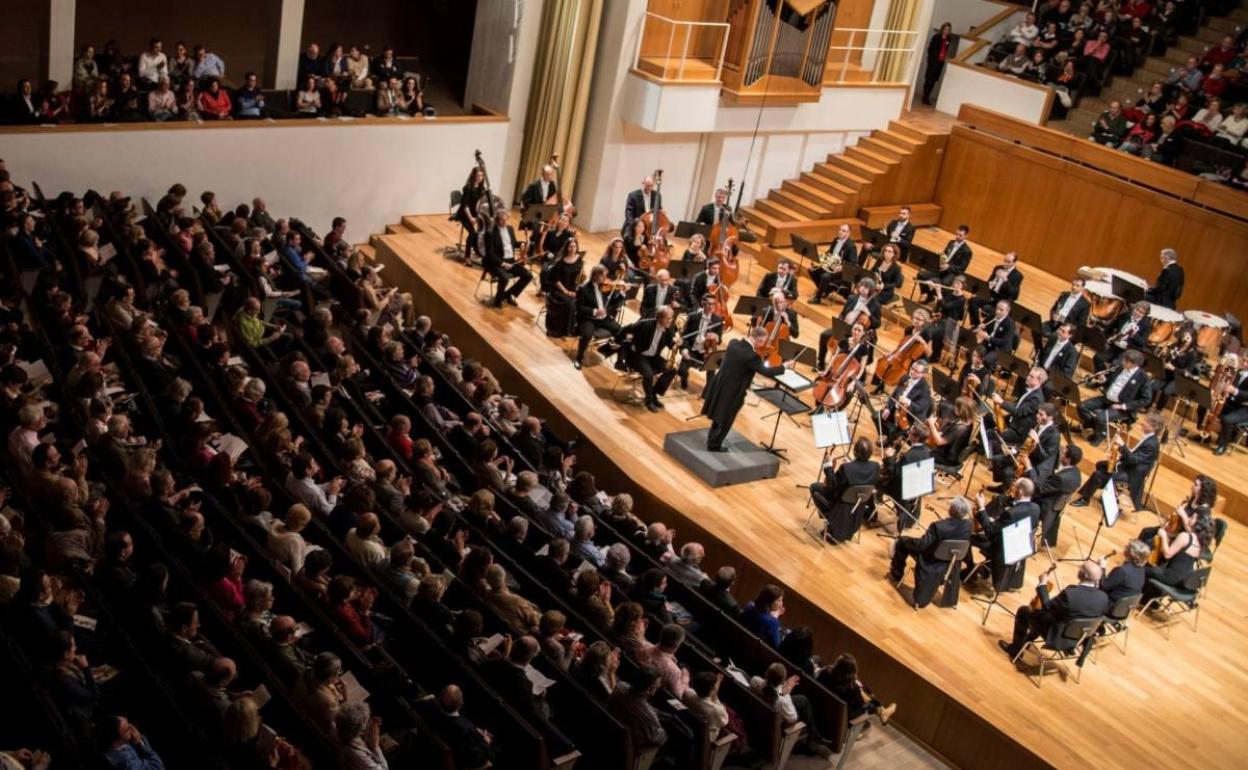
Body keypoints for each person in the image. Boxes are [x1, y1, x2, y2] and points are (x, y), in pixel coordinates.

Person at [700, 326, 789, 451]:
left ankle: (711, 439)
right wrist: (784, 367)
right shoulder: (751, 356)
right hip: (734, 391)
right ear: (758, 340)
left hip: (721, 383)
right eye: (762, 342)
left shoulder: (733, 344)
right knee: (726, 418)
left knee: (718, 414)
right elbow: (766, 372)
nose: (762, 345)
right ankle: (714, 445)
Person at [999, 561, 1109, 659]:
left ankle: (1015, 650)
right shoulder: (1104, 597)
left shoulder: (1070, 594)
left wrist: (1043, 584)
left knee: (1024, 611)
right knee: (1045, 616)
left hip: (1058, 636)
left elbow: (1047, 606)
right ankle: (1028, 639)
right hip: (1080, 637)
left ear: (1083, 575)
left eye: (1081, 568)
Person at [890, 496, 974, 607]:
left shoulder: (938, 526)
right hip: (951, 561)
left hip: (931, 559)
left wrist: (908, 539)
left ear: (952, 510)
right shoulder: (968, 525)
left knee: (902, 542)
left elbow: (922, 545)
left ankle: (896, 574)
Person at [1073, 410, 1161, 510]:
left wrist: (1122, 446)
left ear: (1154, 427)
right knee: (1100, 465)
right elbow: (1135, 456)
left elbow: (1134, 460)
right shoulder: (1148, 438)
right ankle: (1107, 494)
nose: (1143, 423)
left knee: (1099, 474)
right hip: (1129, 467)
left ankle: (1085, 499)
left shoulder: (1151, 444)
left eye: (1147, 422)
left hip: (1132, 474)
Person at [965, 478, 1039, 589]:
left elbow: (990, 532)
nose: (1012, 489)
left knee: (965, 536)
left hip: (1001, 550)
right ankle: (982, 568)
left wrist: (981, 508)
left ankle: (971, 569)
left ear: (1020, 492)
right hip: (1018, 549)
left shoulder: (1011, 513)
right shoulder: (1035, 508)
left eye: (1015, 487)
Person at [1077, 349, 1152, 445]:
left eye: (1126, 361)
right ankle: (1095, 428)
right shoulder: (1118, 366)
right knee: (1082, 406)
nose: (1122, 361)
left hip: (1122, 407)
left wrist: (1123, 406)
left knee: (1100, 418)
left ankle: (1099, 435)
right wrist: (1103, 379)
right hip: (1106, 399)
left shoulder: (1143, 378)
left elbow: (1146, 399)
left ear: (1134, 364)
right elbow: (1108, 382)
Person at [812, 437, 880, 542]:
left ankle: (827, 515)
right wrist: (852, 464)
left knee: (815, 487)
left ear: (855, 451)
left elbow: (832, 485)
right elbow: (861, 476)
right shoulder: (875, 467)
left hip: (839, 505)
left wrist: (828, 467)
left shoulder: (846, 468)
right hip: (858, 507)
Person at [617, 307, 677, 412]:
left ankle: (653, 393)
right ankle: (649, 400)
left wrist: (675, 345)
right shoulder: (644, 324)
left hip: (653, 357)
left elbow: (671, 343)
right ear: (659, 318)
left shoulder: (669, 329)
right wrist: (618, 342)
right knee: (648, 374)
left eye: (671, 318)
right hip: (638, 355)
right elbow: (625, 329)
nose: (670, 321)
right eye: (667, 318)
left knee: (672, 369)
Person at [817, 654, 896, 726]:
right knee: (867, 703)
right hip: (838, 717)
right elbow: (860, 705)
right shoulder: (852, 689)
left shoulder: (825, 672)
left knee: (862, 689)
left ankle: (882, 710)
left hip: (821, 706)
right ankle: (881, 711)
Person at [1029, 444, 1082, 547]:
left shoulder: (1061, 479)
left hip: (1044, 505)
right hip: (1056, 504)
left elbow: (1040, 488)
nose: (1061, 455)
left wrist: (1029, 468)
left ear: (1068, 459)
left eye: (1063, 454)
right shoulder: (1077, 473)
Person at [573, 265, 624, 370]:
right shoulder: (584, 289)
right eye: (603, 276)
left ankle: (605, 351)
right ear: (596, 275)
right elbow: (579, 308)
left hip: (603, 319)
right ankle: (578, 358)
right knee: (587, 335)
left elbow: (612, 303)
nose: (605, 278)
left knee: (620, 330)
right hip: (589, 318)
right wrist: (595, 311)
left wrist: (622, 293)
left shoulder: (604, 287)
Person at [482, 210, 532, 308]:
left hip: (510, 261)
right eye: (502, 221)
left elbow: (513, 243)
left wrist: (523, 243)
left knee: (528, 275)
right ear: (497, 220)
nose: (504, 223)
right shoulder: (490, 233)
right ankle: (498, 300)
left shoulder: (510, 228)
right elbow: (490, 254)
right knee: (504, 278)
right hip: (495, 263)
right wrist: (503, 264)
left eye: (506, 220)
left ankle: (507, 294)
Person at [917, 224, 971, 300]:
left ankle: (939, 299)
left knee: (942, 283)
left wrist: (949, 266)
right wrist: (941, 255)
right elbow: (945, 254)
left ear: (966, 236)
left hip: (952, 273)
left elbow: (962, 268)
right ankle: (929, 295)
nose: (957, 237)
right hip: (942, 268)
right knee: (921, 275)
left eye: (960, 235)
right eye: (956, 234)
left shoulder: (967, 251)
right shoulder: (951, 243)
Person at [968, 252, 1023, 324]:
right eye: (1004, 260)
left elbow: (1014, 294)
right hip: (990, 294)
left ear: (1014, 263)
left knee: (994, 311)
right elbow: (989, 281)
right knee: (972, 300)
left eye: (1008, 262)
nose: (1005, 263)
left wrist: (1005, 280)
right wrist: (989, 284)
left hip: (1001, 299)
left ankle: (985, 327)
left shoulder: (1017, 275)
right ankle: (976, 324)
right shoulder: (998, 268)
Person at [809, 223, 857, 303]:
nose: (840, 232)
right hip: (831, 266)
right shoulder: (835, 240)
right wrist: (822, 258)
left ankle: (818, 298)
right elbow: (829, 252)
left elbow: (853, 264)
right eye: (840, 230)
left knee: (825, 276)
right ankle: (825, 290)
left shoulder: (851, 246)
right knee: (812, 270)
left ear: (848, 233)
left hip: (841, 272)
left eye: (844, 231)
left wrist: (841, 267)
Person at [98, 715, 166, 770]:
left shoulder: (116, 743)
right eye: (127, 729)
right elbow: (158, 767)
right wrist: (140, 743)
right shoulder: (126, 763)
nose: (132, 727)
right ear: (117, 741)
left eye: (129, 723)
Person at [1212, 355, 1248, 456]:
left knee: (1227, 419)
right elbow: (1226, 383)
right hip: (1231, 402)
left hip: (1245, 408)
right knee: (1205, 405)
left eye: (1247, 362)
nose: (1244, 364)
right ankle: (1204, 433)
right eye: (1244, 360)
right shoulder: (1237, 372)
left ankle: (1223, 445)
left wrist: (1234, 391)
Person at [922, 23, 954, 105]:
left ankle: (928, 96)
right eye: (945, 29)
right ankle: (925, 96)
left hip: (940, 62)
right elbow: (930, 49)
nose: (946, 31)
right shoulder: (936, 37)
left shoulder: (948, 39)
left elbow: (945, 49)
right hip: (933, 61)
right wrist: (931, 59)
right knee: (929, 79)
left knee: (934, 80)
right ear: (942, 29)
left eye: (948, 29)